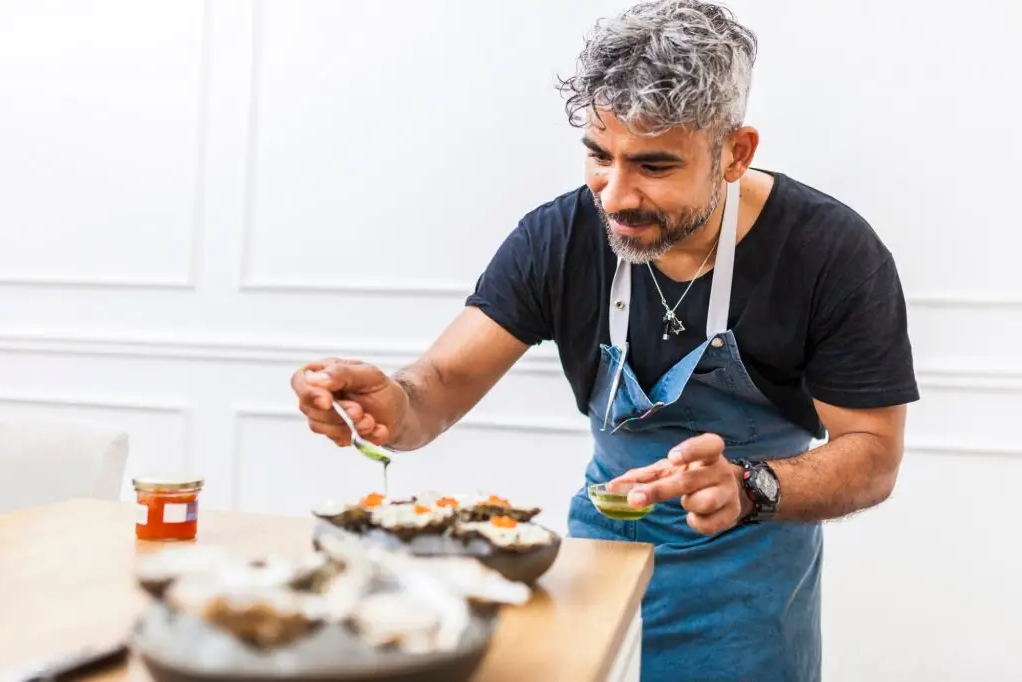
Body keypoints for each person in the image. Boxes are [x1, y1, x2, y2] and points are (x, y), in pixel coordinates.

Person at [290, 1, 919, 680]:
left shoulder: (830, 252)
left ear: (734, 154)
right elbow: (435, 389)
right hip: (596, 565)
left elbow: (873, 455)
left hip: (746, 596)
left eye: (654, 167)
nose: (615, 196)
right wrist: (391, 402)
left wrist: (749, 484)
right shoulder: (557, 237)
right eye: (598, 155)